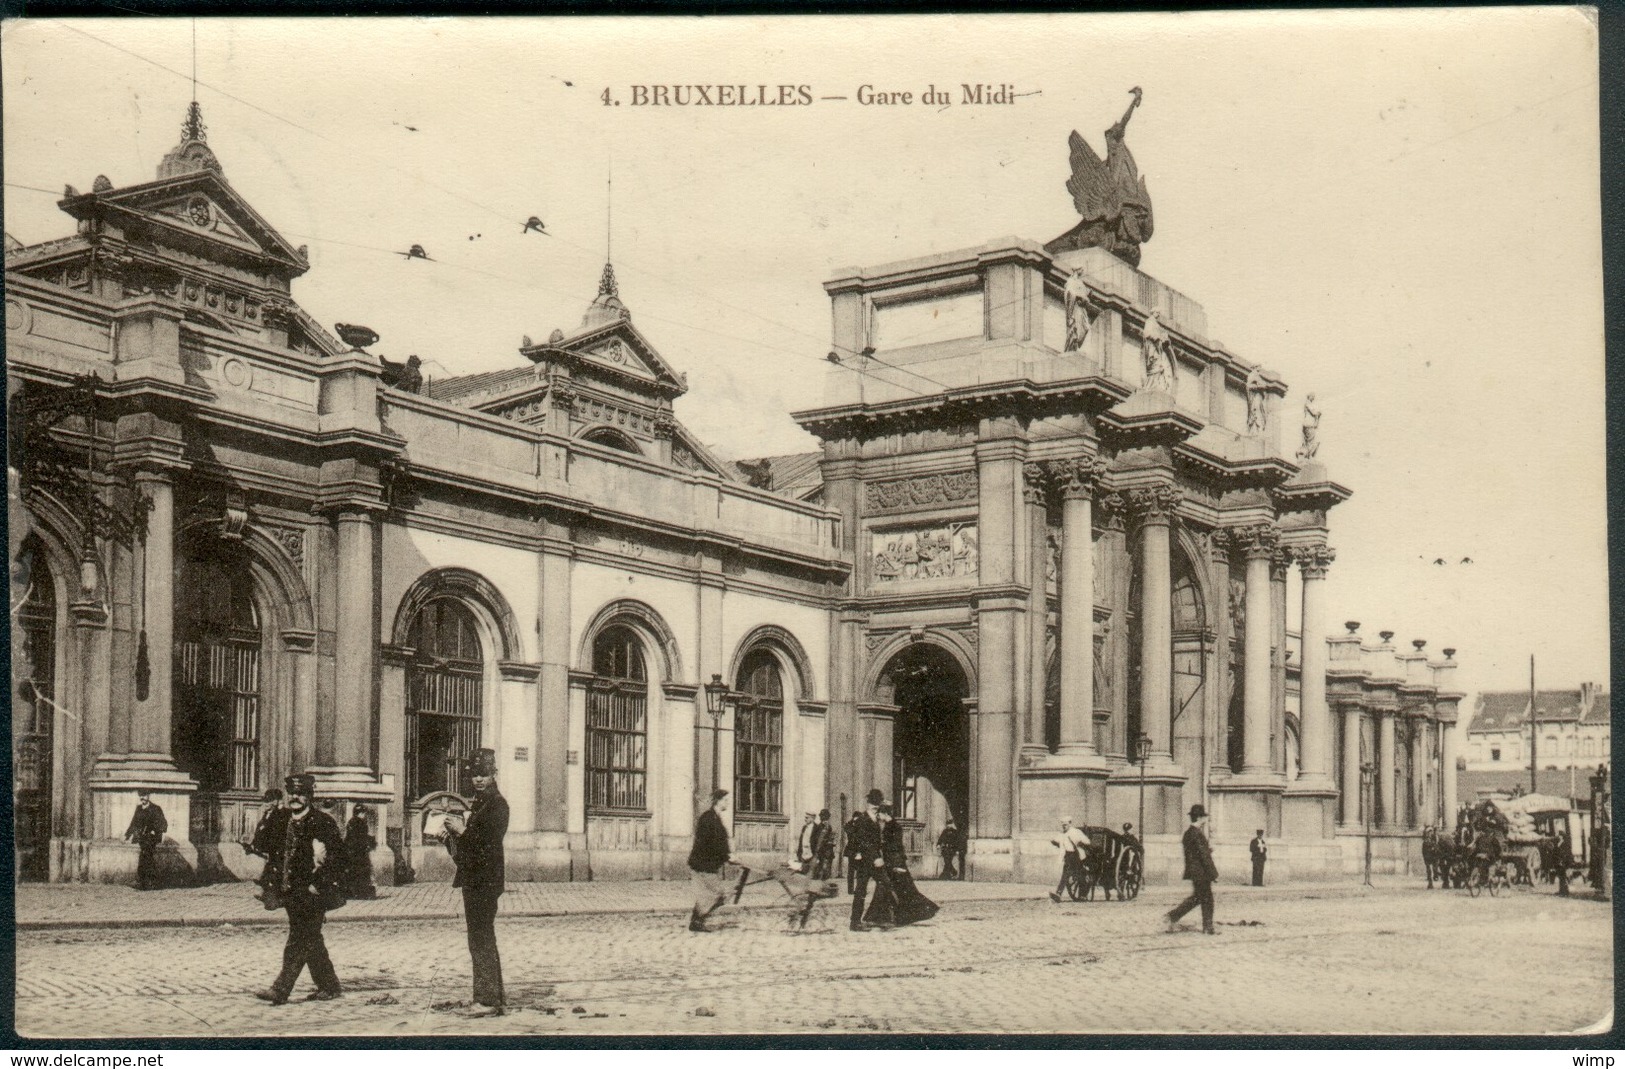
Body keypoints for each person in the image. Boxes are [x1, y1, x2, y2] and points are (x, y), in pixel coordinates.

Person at [254, 773, 346, 1005]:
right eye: (292, 793)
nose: (295, 797)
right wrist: (266, 816)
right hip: (289, 891)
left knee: (299, 938)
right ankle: (330, 985)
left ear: (309, 796)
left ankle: (280, 989)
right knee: (310, 938)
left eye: (301, 794)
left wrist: (319, 884)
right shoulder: (281, 818)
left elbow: (338, 858)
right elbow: (261, 845)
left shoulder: (323, 822)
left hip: (313, 892)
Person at [442, 748, 509, 1016]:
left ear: (494, 774)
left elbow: (487, 845)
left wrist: (461, 831)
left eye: (484, 774)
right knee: (481, 937)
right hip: (477, 878)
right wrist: (450, 838)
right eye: (475, 775)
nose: (479, 779)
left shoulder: (497, 804)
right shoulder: (481, 802)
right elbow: (470, 848)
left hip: (485, 881)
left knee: (480, 938)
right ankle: (493, 996)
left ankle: (486, 1001)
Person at [863, 804, 938, 929]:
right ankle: (878, 916)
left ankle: (924, 910)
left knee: (905, 890)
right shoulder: (887, 826)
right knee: (886, 888)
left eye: (880, 814)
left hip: (895, 862)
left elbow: (896, 847)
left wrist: (897, 865)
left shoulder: (895, 827)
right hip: (889, 861)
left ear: (886, 814)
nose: (878, 816)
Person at [687, 789, 737, 932]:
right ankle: (697, 921)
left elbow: (719, 842)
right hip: (703, 864)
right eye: (725, 800)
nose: (728, 802)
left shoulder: (715, 817)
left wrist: (728, 855)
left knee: (710, 895)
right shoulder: (708, 818)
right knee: (718, 894)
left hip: (707, 864)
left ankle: (696, 922)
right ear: (718, 801)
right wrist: (727, 856)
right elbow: (711, 843)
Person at [1166, 804, 1218, 935]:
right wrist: (1213, 873)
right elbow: (1203, 855)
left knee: (1197, 898)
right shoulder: (1197, 834)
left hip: (1194, 871)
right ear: (1200, 818)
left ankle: (1173, 916)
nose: (1205, 820)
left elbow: (1194, 853)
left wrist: (1207, 849)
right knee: (1207, 899)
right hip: (1202, 872)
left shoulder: (1188, 833)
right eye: (1204, 817)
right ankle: (1208, 927)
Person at [847, 789, 890, 932]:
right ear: (868, 805)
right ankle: (855, 922)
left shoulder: (876, 820)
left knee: (885, 884)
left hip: (873, 860)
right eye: (873, 806)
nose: (875, 808)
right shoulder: (862, 820)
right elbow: (864, 842)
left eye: (876, 806)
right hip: (865, 862)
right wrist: (876, 857)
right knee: (861, 891)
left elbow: (877, 841)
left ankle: (879, 916)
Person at [123, 791, 167, 891]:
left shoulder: (156, 808)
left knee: (145, 857)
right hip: (141, 838)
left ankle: (145, 883)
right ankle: (151, 883)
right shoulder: (138, 809)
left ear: (148, 796)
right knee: (147, 858)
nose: (142, 798)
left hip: (151, 838)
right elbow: (133, 823)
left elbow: (163, 823)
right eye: (141, 796)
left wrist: (154, 831)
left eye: (144, 796)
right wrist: (127, 835)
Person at [1048, 818, 1091, 903]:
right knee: (1065, 875)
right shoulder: (1062, 835)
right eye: (1063, 825)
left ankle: (1082, 895)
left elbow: (1087, 842)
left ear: (1070, 824)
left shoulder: (1076, 832)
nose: (1064, 826)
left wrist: (1079, 843)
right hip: (1068, 856)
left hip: (1077, 856)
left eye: (1065, 825)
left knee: (1080, 875)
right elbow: (1060, 847)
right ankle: (1058, 894)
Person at [344, 805, 377, 900]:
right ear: (361, 813)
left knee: (352, 872)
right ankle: (361, 893)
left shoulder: (351, 821)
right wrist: (370, 841)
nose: (365, 815)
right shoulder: (361, 823)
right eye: (364, 813)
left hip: (351, 851)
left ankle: (350, 893)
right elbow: (361, 838)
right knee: (362, 872)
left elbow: (349, 837)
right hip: (359, 852)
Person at [811, 809, 836, 881]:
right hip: (821, 851)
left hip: (828, 851)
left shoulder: (829, 826)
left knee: (827, 869)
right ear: (821, 818)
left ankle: (824, 882)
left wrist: (831, 841)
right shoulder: (819, 827)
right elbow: (817, 839)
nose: (825, 819)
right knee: (821, 869)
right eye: (824, 817)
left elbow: (829, 837)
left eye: (827, 818)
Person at [842, 810, 862, 894]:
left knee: (858, 871)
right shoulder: (850, 825)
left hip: (857, 850)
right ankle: (851, 890)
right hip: (853, 850)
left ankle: (857, 889)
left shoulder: (858, 825)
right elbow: (853, 835)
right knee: (852, 871)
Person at [1553, 826, 1573, 897]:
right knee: (1560, 877)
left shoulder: (1565, 844)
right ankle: (1561, 891)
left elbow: (1567, 853)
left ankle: (1565, 892)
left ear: (1561, 836)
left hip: (1563, 862)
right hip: (1559, 862)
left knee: (1564, 877)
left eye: (1559, 835)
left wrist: (1564, 861)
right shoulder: (1558, 843)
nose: (1558, 836)